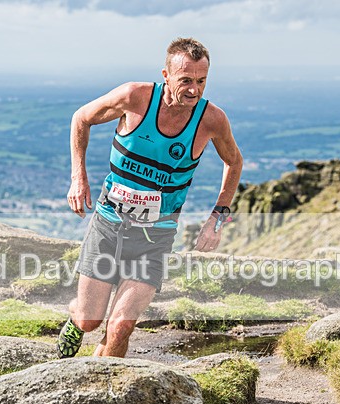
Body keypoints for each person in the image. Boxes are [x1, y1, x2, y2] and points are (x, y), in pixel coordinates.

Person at [57, 37, 243, 359]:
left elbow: (234, 161)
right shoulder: (135, 98)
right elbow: (81, 118)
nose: (194, 90)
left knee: (120, 327)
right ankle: (75, 318)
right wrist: (78, 178)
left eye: (201, 81)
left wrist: (217, 217)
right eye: (185, 80)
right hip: (108, 227)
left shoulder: (211, 120)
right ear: (166, 75)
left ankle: (101, 393)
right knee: (90, 319)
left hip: (154, 237)